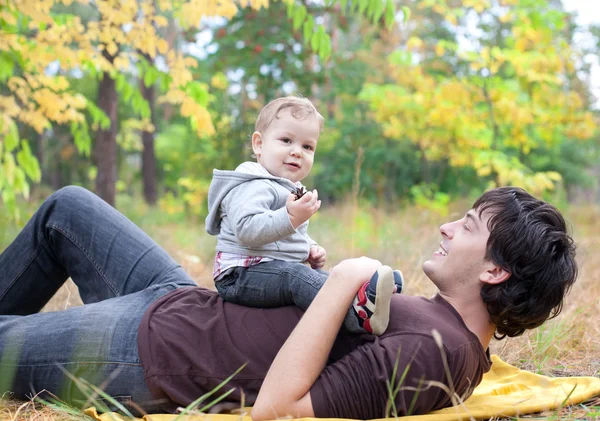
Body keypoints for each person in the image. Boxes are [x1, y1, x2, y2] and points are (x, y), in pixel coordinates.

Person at [0, 185, 577, 419]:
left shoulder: (440, 354)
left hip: (154, 351)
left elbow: (279, 410)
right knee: (69, 209)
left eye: (469, 226)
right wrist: (302, 278)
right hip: (183, 301)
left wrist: (339, 282)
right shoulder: (441, 323)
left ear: (495, 270)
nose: (449, 227)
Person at [206, 95, 402, 335]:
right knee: (297, 277)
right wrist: (290, 218)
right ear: (259, 144)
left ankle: (369, 292)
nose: (297, 152)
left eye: (307, 146)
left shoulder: (288, 186)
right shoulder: (253, 183)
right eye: (286, 140)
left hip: (268, 268)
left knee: (317, 276)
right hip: (239, 275)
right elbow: (247, 230)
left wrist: (308, 247)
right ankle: (355, 316)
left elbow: (285, 235)